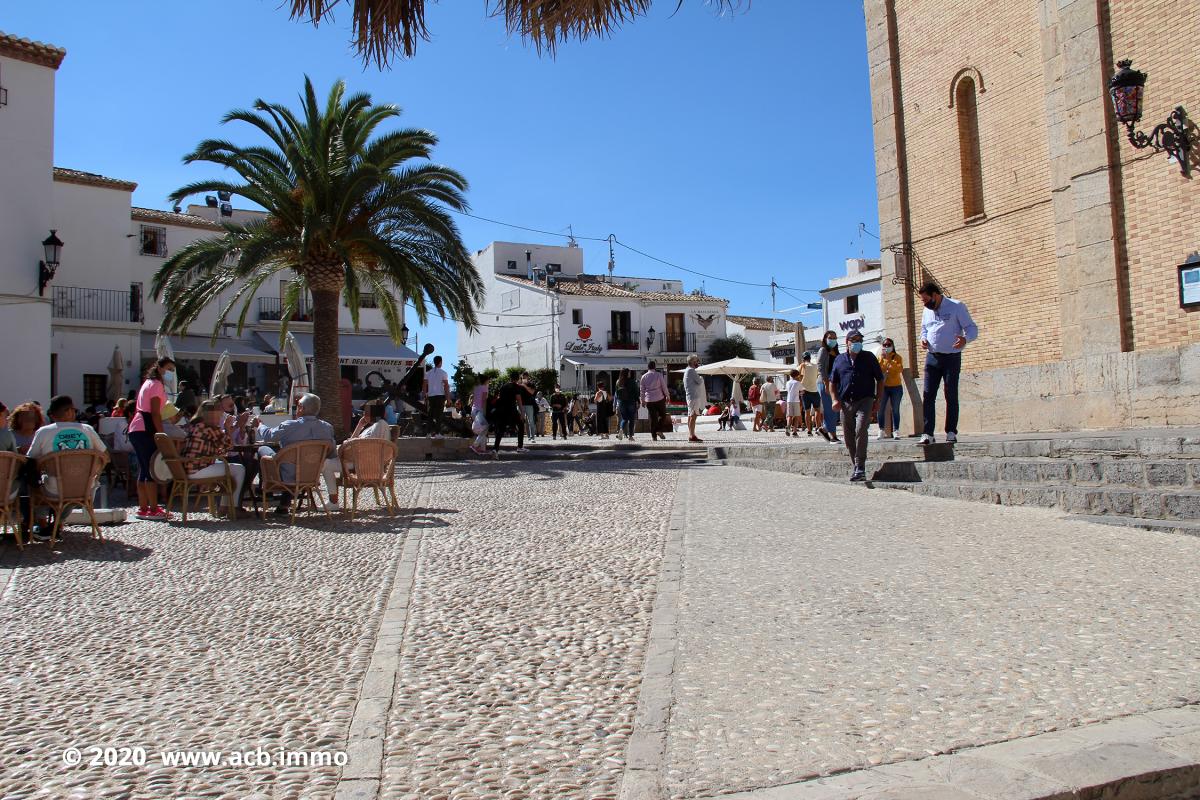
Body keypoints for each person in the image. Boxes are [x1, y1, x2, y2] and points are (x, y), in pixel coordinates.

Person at [256, 393, 340, 512]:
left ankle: (264, 488)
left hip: (286, 474)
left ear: (301, 407)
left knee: (262, 448)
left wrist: (260, 425)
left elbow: (269, 436)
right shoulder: (327, 428)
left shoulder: (290, 425)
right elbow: (332, 453)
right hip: (312, 474)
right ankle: (284, 502)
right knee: (292, 459)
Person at [918, 281, 978, 445]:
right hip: (932, 357)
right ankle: (927, 433)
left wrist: (965, 339)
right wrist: (923, 339)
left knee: (950, 394)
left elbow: (972, 328)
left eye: (926, 300)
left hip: (951, 357)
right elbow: (924, 329)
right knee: (928, 394)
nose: (924, 304)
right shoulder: (926, 311)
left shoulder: (956, 306)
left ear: (935, 295)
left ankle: (951, 431)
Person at [26, 394, 109, 504]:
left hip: (55, 489)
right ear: (69, 411)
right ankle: (60, 518)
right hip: (85, 487)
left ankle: (43, 518)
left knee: (33, 478)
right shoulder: (87, 429)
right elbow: (106, 457)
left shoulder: (43, 431)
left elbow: (30, 459)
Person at [828, 330, 884, 482]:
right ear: (847, 342)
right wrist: (834, 399)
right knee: (848, 436)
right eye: (854, 340)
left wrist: (878, 400)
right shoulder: (839, 359)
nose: (857, 342)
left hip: (865, 400)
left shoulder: (869, 358)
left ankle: (860, 466)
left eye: (859, 340)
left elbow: (880, 379)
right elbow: (832, 382)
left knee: (861, 429)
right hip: (846, 402)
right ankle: (857, 467)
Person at [128, 356, 175, 521]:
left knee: (143, 467)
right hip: (145, 427)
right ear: (160, 368)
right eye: (169, 369)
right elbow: (155, 412)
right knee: (151, 469)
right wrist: (161, 435)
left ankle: (143, 507)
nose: (171, 373)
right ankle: (154, 508)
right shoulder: (156, 385)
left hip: (136, 427)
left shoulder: (147, 383)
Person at [180, 400, 246, 516]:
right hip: (199, 469)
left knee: (231, 470)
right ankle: (233, 508)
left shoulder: (194, 425)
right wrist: (227, 426)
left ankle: (224, 507)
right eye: (219, 414)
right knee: (239, 469)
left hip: (186, 469)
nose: (221, 416)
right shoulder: (209, 427)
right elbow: (229, 445)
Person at [492, 374, 528, 453]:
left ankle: (495, 449)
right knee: (521, 425)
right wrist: (522, 412)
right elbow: (518, 400)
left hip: (502, 410)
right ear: (517, 379)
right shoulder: (516, 387)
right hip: (512, 410)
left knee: (501, 430)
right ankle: (520, 446)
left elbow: (499, 398)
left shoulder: (503, 386)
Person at [877, 338, 905, 440]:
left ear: (892, 346)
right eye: (885, 345)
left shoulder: (897, 357)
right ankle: (881, 430)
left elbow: (899, 369)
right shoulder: (880, 358)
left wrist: (889, 361)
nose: (887, 347)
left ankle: (896, 430)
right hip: (884, 387)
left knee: (895, 409)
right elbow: (878, 371)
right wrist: (884, 360)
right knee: (880, 409)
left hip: (896, 387)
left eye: (889, 345)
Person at [817, 331, 841, 443]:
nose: (833, 339)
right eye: (830, 337)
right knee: (829, 409)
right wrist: (826, 384)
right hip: (825, 382)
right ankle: (832, 436)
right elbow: (821, 367)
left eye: (835, 337)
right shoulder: (823, 350)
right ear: (825, 339)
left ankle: (825, 429)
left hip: (835, 383)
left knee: (835, 409)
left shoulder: (836, 352)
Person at [640, 362, 670, 441]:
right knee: (663, 415)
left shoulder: (643, 377)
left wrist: (642, 401)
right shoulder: (659, 375)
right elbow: (664, 386)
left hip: (649, 400)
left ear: (648, 367)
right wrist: (667, 396)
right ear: (655, 367)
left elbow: (642, 391)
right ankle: (659, 430)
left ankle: (654, 436)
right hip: (659, 398)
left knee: (653, 418)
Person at [422, 355, 450, 438]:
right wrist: (448, 398)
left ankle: (428, 433)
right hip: (440, 396)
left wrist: (424, 395)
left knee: (430, 415)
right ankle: (438, 433)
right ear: (440, 362)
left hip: (431, 396)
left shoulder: (428, 373)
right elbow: (446, 386)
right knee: (439, 415)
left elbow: (424, 385)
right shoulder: (443, 373)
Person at [800, 352, 822, 436]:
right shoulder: (815, 366)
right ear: (810, 358)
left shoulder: (802, 366)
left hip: (805, 392)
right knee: (817, 410)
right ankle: (818, 427)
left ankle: (809, 430)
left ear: (803, 358)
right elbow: (816, 376)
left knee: (807, 412)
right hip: (815, 390)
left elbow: (800, 376)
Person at [470, 377, 492, 456]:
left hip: (473, 410)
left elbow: (472, 400)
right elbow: (484, 400)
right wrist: (484, 412)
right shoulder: (485, 387)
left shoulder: (475, 387)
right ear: (485, 381)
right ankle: (475, 445)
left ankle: (482, 449)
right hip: (479, 411)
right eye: (488, 380)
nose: (489, 381)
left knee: (482, 429)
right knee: (485, 428)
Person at [615, 369, 640, 441]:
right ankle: (630, 436)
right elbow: (636, 393)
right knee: (631, 419)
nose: (630, 374)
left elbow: (616, 394)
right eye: (629, 372)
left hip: (622, 403)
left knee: (624, 418)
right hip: (631, 402)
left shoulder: (618, 382)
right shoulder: (632, 381)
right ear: (627, 373)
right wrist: (638, 401)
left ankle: (621, 430)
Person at [784, 369, 804, 437]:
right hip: (796, 400)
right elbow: (802, 391)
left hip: (789, 400)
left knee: (789, 416)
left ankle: (788, 427)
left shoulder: (787, 382)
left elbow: (787, 390)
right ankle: (794, 432)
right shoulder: (798, 382)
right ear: (797, 375)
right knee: (796, 416)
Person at [520, 373, 538, 440]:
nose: (524, 379)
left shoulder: (531, 384)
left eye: (525, 377)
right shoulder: (519, 385)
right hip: (521, 405)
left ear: (528, 377)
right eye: (523, 378)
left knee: (531, 421)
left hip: (529, 405)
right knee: (521, 421)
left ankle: (532, 437)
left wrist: (525, 386)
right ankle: (521, 437)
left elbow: (532, 392)